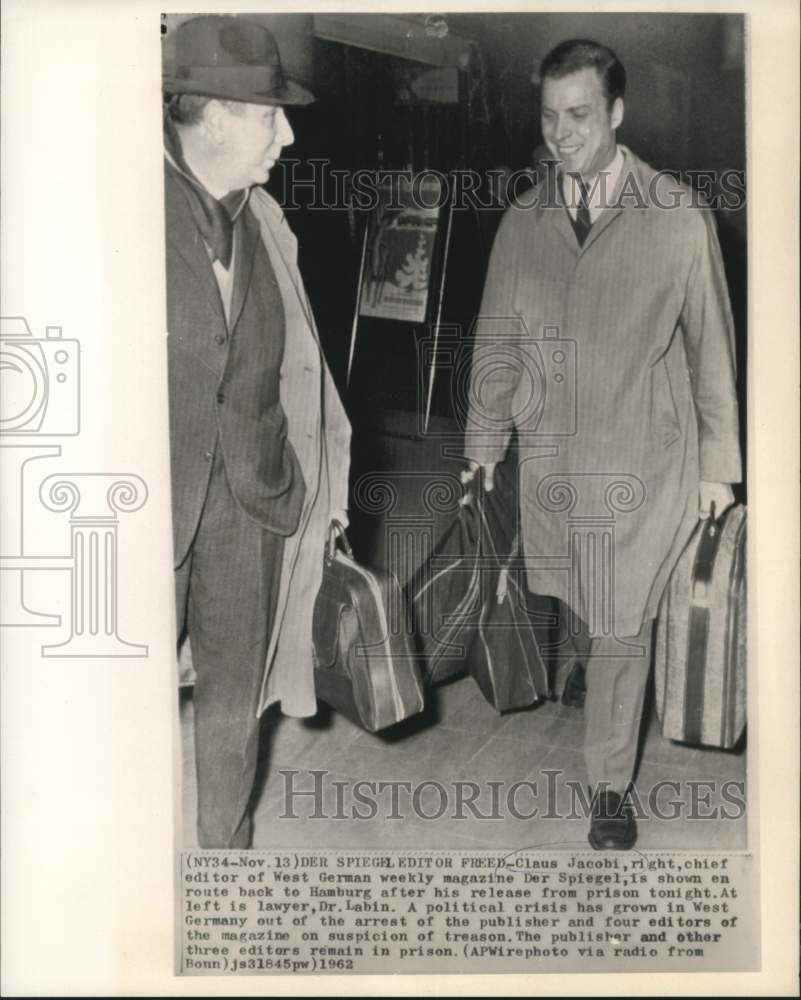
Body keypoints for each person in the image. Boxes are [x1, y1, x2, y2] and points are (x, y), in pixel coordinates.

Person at [463, 39, 741, 850]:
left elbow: (712, 349)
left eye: (579, 115)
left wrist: (718, 466)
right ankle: (595, 672)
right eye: (549, 117)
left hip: (644, 459)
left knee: (622, 617)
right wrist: (482, 444)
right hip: (553, 458)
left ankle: (609, 786)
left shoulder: (676, 215)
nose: (560, 134)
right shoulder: (523, 219)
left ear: (616, 112)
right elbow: (496, 339)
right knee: (584, 603)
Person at [163, 15, 351, 848]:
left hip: (252, 500)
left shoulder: (268, 220)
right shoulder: (115, 211)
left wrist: (322, 488)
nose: (288, 134)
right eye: (269, 116)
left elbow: (303, 368)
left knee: (234, 711)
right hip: (141, 508)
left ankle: (225, 876)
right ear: (211, 116)